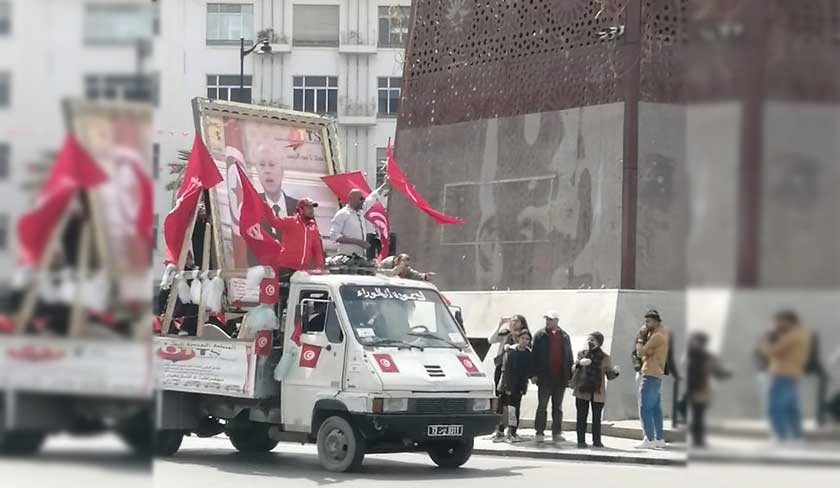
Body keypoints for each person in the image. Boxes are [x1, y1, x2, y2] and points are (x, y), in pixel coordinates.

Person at [759, 310, 811, 442]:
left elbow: (771, 351)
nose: (777, 325)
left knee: (776, 406)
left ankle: (780, 435)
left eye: (778, 321)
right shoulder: (801, 334)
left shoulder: (792, 336)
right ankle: (796, 436)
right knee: (791, 408)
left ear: (788, 321)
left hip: (783, 374)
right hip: (792, 373)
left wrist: (767, 338)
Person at [531, 310, 574, 444]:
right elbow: (534, 356)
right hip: (544, 377)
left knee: (558, 407)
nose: (548, 322)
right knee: (542, 406)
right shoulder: (540, 335)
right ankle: (539, 432)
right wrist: (533, 374)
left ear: (556, 321)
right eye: (547, 319)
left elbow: (569, 356)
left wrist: (570, 376)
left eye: (550, 319)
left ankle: (557, 432)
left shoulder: (565, 336)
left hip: (560, 377)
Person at [571, 331, 619, 448]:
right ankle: (581, 441)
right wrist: (579, 364)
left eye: (593, 340)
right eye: (589, 340)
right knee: (581, 416)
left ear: (599, 342)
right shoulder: (582, 354)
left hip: (598, 391)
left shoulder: (605, 358)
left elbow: (609, 376)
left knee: (596, 418)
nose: (590, 342)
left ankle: (597, 441)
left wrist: (615, 372)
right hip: (582, 389)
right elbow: (573, 369)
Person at [683, 331, 730, 448]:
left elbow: (717, 371)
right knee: (696, 414)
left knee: (698, 414)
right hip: (695, 388)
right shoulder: (692, 355)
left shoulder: (704, 357)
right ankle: (697, 440)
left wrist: (725, 374)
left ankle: (698, 440)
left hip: (700, 389)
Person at [488, 314, 529, 442]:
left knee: (514, 403)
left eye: (516, 321)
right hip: (502, 370)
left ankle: (512, 430)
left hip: (516, 373)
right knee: (501, 401)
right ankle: (499, 430)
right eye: (511, 321)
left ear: (522, 323)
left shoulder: (524, 336)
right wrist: (500, 324)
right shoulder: (505, 334)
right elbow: (491, 340)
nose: (513, 323)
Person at [635, 310, 670, 449]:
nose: (645, 324)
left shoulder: (656, 336)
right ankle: (659, 438)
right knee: (655, 408)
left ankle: (649, 438)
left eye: (648, 321)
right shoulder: (661, 333)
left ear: (656, 321)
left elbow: (641, 352)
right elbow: (647, 351)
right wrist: (646, 349)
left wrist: (640, 338)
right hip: (656, 374)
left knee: (645, 407)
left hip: (650, 373)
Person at [497, 329, 533, 442]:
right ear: (518, 339)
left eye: (527, 339)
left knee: (515, 409)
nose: (525, 341)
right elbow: (506, 370)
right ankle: (501, 431)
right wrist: (507, 386)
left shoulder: (528, 353)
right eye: (523, 338)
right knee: (504, 408)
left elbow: (527, 372)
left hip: (519, 385)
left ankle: (512, 432)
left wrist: (524, 386)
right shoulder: (511, 351)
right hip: (507, 384)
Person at [255, 143, 297, 218]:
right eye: (262, 165)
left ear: (282, 171)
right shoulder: (251, 207)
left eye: (272, 165)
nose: (267, 171)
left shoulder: (300, 209)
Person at [329, 189, 369, 257]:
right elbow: (334, 236)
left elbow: (371, 199)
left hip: (360, 257)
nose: (363, 201)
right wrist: (358, 242)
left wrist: (383, 187)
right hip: (346, 257)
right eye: (361, 198)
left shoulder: (360, 213)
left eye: (364, 199)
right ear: (351, 198)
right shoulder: (343, 213)